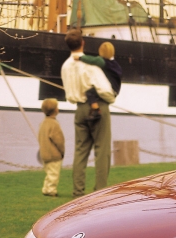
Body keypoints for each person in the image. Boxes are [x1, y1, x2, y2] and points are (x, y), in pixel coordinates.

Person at [61, 29, 116, 197]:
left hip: (79, 108)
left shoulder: (65, 66)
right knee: (102, 150)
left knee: (80, 150)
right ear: (83, 43)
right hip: (99, 106)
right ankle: (100, 191)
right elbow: (105, 90)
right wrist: (111, 98)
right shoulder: (90, 65)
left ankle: (78, 191)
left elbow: (69, 94)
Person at [78, 41, 123, 124]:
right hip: (116, 90)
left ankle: (95, 110)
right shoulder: (115, 64)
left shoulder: (102, 62)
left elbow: (92, 60)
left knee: (90, 92)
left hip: (110, 88)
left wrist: (80, 58)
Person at [38, 98, 65, 197]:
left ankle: (46, 189)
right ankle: (51, 191)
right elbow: (59, 140)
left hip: (44, 153)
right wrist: (62, 152)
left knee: (48, 173)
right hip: (54, 154)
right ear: (55, 110)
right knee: (54, 174)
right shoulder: (54, 124)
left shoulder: (43, 123)